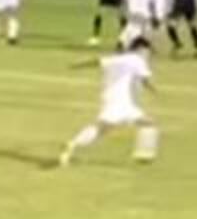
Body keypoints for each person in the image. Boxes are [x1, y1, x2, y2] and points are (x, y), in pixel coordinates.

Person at [58, 38, 159, 166]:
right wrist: (154, 90)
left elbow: (96, 61)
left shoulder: (118, 58)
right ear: (141, 49)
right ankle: (144, 154)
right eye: (147, 51)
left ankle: (71, 145)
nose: (147, 54)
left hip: (111, 98)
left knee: (144, 123)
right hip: (122, 102)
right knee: (102, 129)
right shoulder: (137, 60)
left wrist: (77, 65)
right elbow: (145, 79)